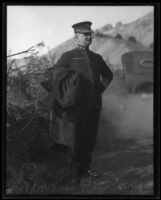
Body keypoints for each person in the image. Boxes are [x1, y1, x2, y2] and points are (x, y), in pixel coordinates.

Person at [50, 21, 113, 178]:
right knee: (74, 140)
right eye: (85, 35)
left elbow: (108, 75)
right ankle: (72, 171)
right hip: (75, 107)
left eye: (90, 34)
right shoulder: (68, 56)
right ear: (76, 37)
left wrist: (100, 89)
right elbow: (56, 75)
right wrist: (70, 91)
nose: (88, 37)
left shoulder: (96, 58)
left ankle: (85, 168)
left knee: (89, 139)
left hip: (94, 106)